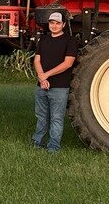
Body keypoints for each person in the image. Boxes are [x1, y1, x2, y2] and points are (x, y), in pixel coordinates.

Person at [32, 11, 78, 153]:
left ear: (63, 24)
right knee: (41, 116)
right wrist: (41, 77)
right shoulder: (44, 40)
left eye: (58, 23)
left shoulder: (70, 41)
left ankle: (53, 146)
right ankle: (37, 142)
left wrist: (46, 75)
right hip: (42, 85)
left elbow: (68, 63)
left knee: (56, 118)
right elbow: (37, 60)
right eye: (52, 23)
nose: (54, 26)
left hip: (59, 86)